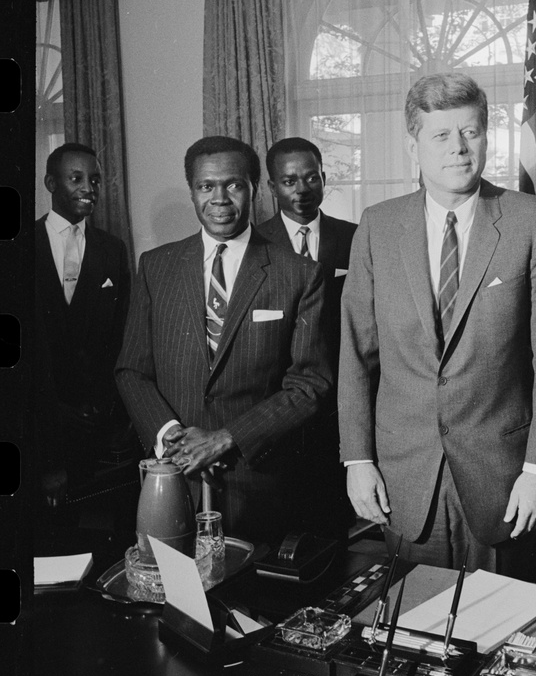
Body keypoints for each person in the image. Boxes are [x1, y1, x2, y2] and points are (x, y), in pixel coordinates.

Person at [338, 73, 536, 575]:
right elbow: (356, 354)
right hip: (405, 478)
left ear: (487, 137)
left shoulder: (529, 221)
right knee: (416, 630)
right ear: (414, 145)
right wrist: (357, 460)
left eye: (471, 132)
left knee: (501, 634)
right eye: (441, 135)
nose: (458, 148)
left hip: (503, 478)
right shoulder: (377, 226)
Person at [115, 135, 332, 544]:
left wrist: (225, 439)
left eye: (233, 185)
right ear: (193, 192)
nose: (219, 198)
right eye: (205, 186)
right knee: (173, 602)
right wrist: (174, 440)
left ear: (254, 188)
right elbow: (132, 370)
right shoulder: (157, 267)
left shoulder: (299, 273)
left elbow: (309, 385)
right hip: (171, 481)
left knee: (254, 605)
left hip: (256, 484)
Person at [258, 137, 358, 542]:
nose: (301, 190)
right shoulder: (254, 243)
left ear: (323, 178)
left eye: (311, 178)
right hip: (277, 403)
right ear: (271, 187)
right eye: (289, 181)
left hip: (340, 402)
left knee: (336, 524)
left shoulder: (355, 237)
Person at [35, 142, 134, 503]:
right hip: (38, 423)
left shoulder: (112, 249)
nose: (89, 189)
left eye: (94, 179)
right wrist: (52, 411)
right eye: (76, 178)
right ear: (50, 183)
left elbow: (123, 332)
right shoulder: (20, 247)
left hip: (95, 421)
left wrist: (102, 403)